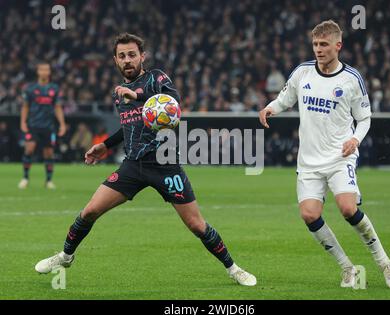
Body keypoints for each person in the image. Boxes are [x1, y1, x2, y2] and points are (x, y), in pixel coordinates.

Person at [35, 33, 256, 286]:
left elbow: (172, 105)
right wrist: (105, 146)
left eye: (132, 55)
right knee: (89, 211)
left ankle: (234, 268)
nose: (127, 60)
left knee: (196, 225)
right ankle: (65, 256)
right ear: (115, 60)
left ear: (142, 56)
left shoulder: (157, 78)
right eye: (122, 56)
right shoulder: (120, 93)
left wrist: (137, 96)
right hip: (133, 165)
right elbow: (129, 126)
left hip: (165, 164)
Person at [259, 20, 390, 288]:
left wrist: (355, 139)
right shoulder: (302, 73)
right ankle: (348, 268)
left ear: (338, 45)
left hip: (339, 157)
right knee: (309, 214)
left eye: (324, 44)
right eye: (315, 44)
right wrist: (269, 108)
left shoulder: (351, 79)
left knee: (348, 208)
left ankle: (384, 263)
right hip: (309, 161)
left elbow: (365, 118)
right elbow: (285, 99)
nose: (318, 49)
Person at [18, 62, 66, 189]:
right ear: (38, 72)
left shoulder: (54, 88)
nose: (44, 72)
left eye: (47, 70)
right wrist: (23, 122)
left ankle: (49, 180)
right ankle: (25, 178)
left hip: (49, 127)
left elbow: (57, 107)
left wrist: (62, 124)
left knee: (49, 153)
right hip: (33, 125)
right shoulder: (30, 88)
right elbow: (25, 106)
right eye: (42, 69)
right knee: (29, 149)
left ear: (49, 72)